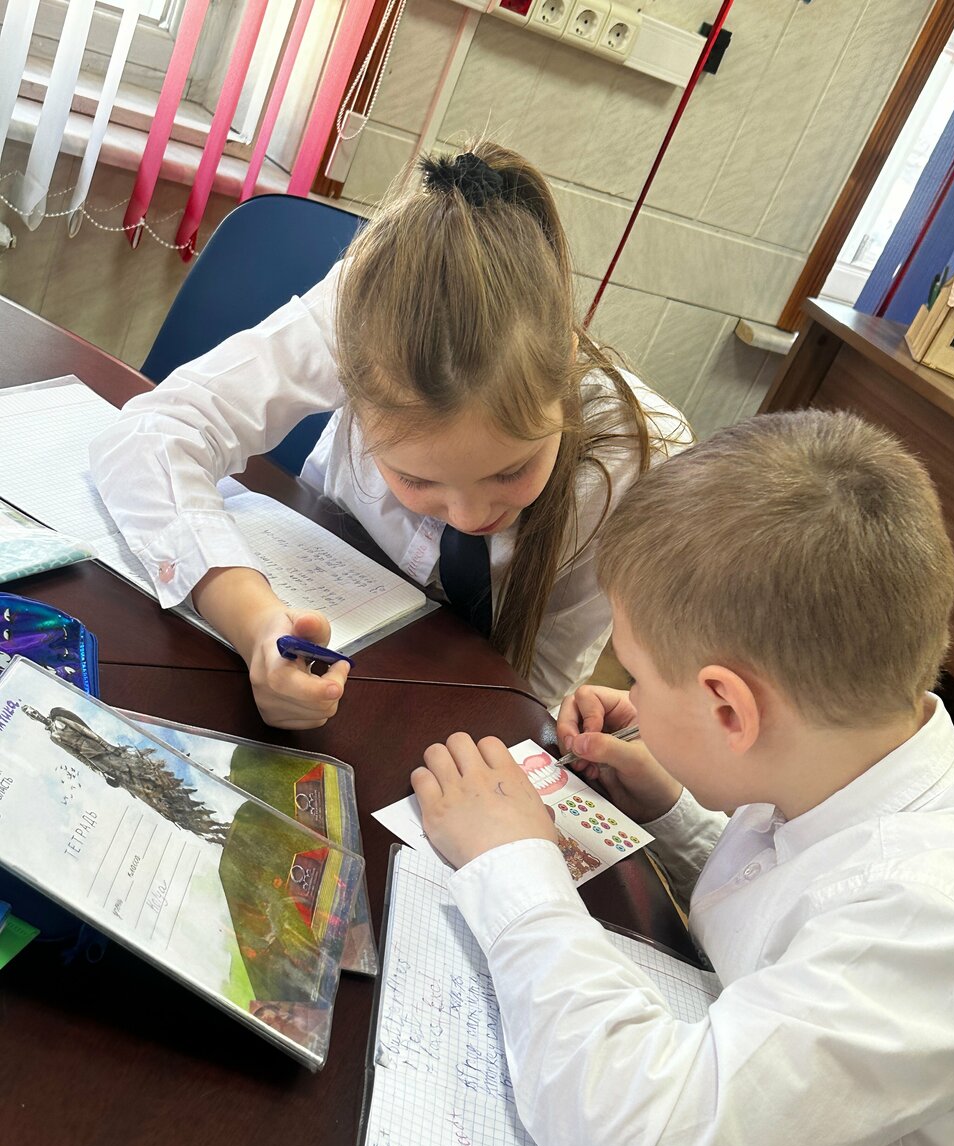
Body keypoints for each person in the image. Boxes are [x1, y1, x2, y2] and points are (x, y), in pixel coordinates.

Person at [411, 409, 954, 1146]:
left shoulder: (925, 917)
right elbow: (794, 903)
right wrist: (675, 807)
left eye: (635, 671)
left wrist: (511, 864)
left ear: (729, 709)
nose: (626, 691)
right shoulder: (854, 757)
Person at [90, 142, 686, 729]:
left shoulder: (640, 454)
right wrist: (251, 620)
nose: (469, 515)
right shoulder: (365, 312)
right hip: (325, 597)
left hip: (443, 703)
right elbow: (152, 432)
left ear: (569, 360)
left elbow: (536, 691)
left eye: (510, 471)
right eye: (416, 479)